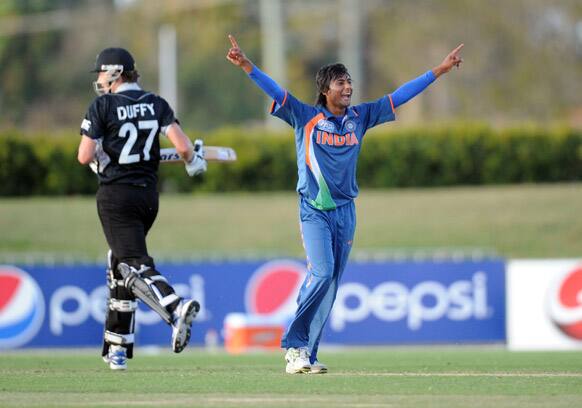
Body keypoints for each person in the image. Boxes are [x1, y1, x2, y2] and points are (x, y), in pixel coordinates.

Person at [227, 35, 463, 374]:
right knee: (321, 274)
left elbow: (400, 96)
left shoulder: (360, 117)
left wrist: (438, 71)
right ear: (326, 89)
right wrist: (247, 66)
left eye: (349, 81)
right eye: (341, 82)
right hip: (314, 210)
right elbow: (275, 90)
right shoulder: (304, 116)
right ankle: (294, 347)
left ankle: (308, 353)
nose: (348, 86)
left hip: (346, 212)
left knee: (331, 284)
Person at [77, 47, 207, 370]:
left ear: (116, 73)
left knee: (132, 264)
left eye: (103, 74)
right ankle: (118, 347)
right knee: (118, 261)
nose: (100, 81)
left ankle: (174, 307)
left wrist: (100, 162)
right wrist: (194, 160)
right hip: (149, 196)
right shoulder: (156, 103)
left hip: (116, 196)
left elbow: (84, 155)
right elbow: (183, 147)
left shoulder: (103, 105)